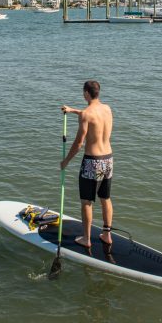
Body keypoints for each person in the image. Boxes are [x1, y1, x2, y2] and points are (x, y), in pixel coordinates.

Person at [60, 80, 114, 249]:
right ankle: (106, 234)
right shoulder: (107, 109)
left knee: (86, 202)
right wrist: (72, 110)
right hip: (108, 159)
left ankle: (86, 238)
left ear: (86, 93)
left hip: (93, 163)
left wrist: (66, 161)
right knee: (105, 198)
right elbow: (92, 117)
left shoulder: (86, 114)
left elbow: (78, 144)